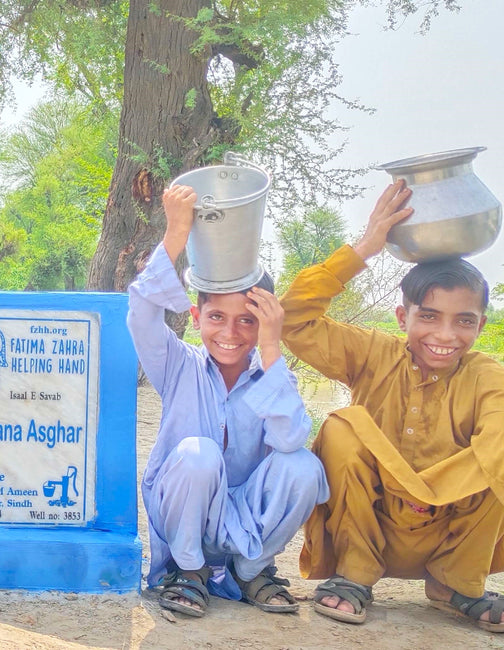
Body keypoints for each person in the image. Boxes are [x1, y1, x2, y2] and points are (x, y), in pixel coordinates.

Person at [282, 180, 504, 632]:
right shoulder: (372, 353)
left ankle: (457, 584)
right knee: (343, 427)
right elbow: (293, 318)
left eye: (463, 322)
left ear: (480, 325)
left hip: (450, 532)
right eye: (429, 316)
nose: (445, 336)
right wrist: (364, 248)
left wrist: (430, 494)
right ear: (403, 317)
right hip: (370, 526)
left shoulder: (487, 375)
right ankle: (354, 578)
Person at [128, 184, 329, 618]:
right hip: (185, 514)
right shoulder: (177, 365)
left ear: (266, 324)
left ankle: (250, 570)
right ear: (196, 317)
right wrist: (177, 231)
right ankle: (189, 572)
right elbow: (141, 311)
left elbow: (290, 438)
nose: (230, 333)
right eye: (216, 317)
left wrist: (273, 349)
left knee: (303, 466)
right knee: (198, 454)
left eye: (248, 321)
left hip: (245, 517)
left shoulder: (273, 375)